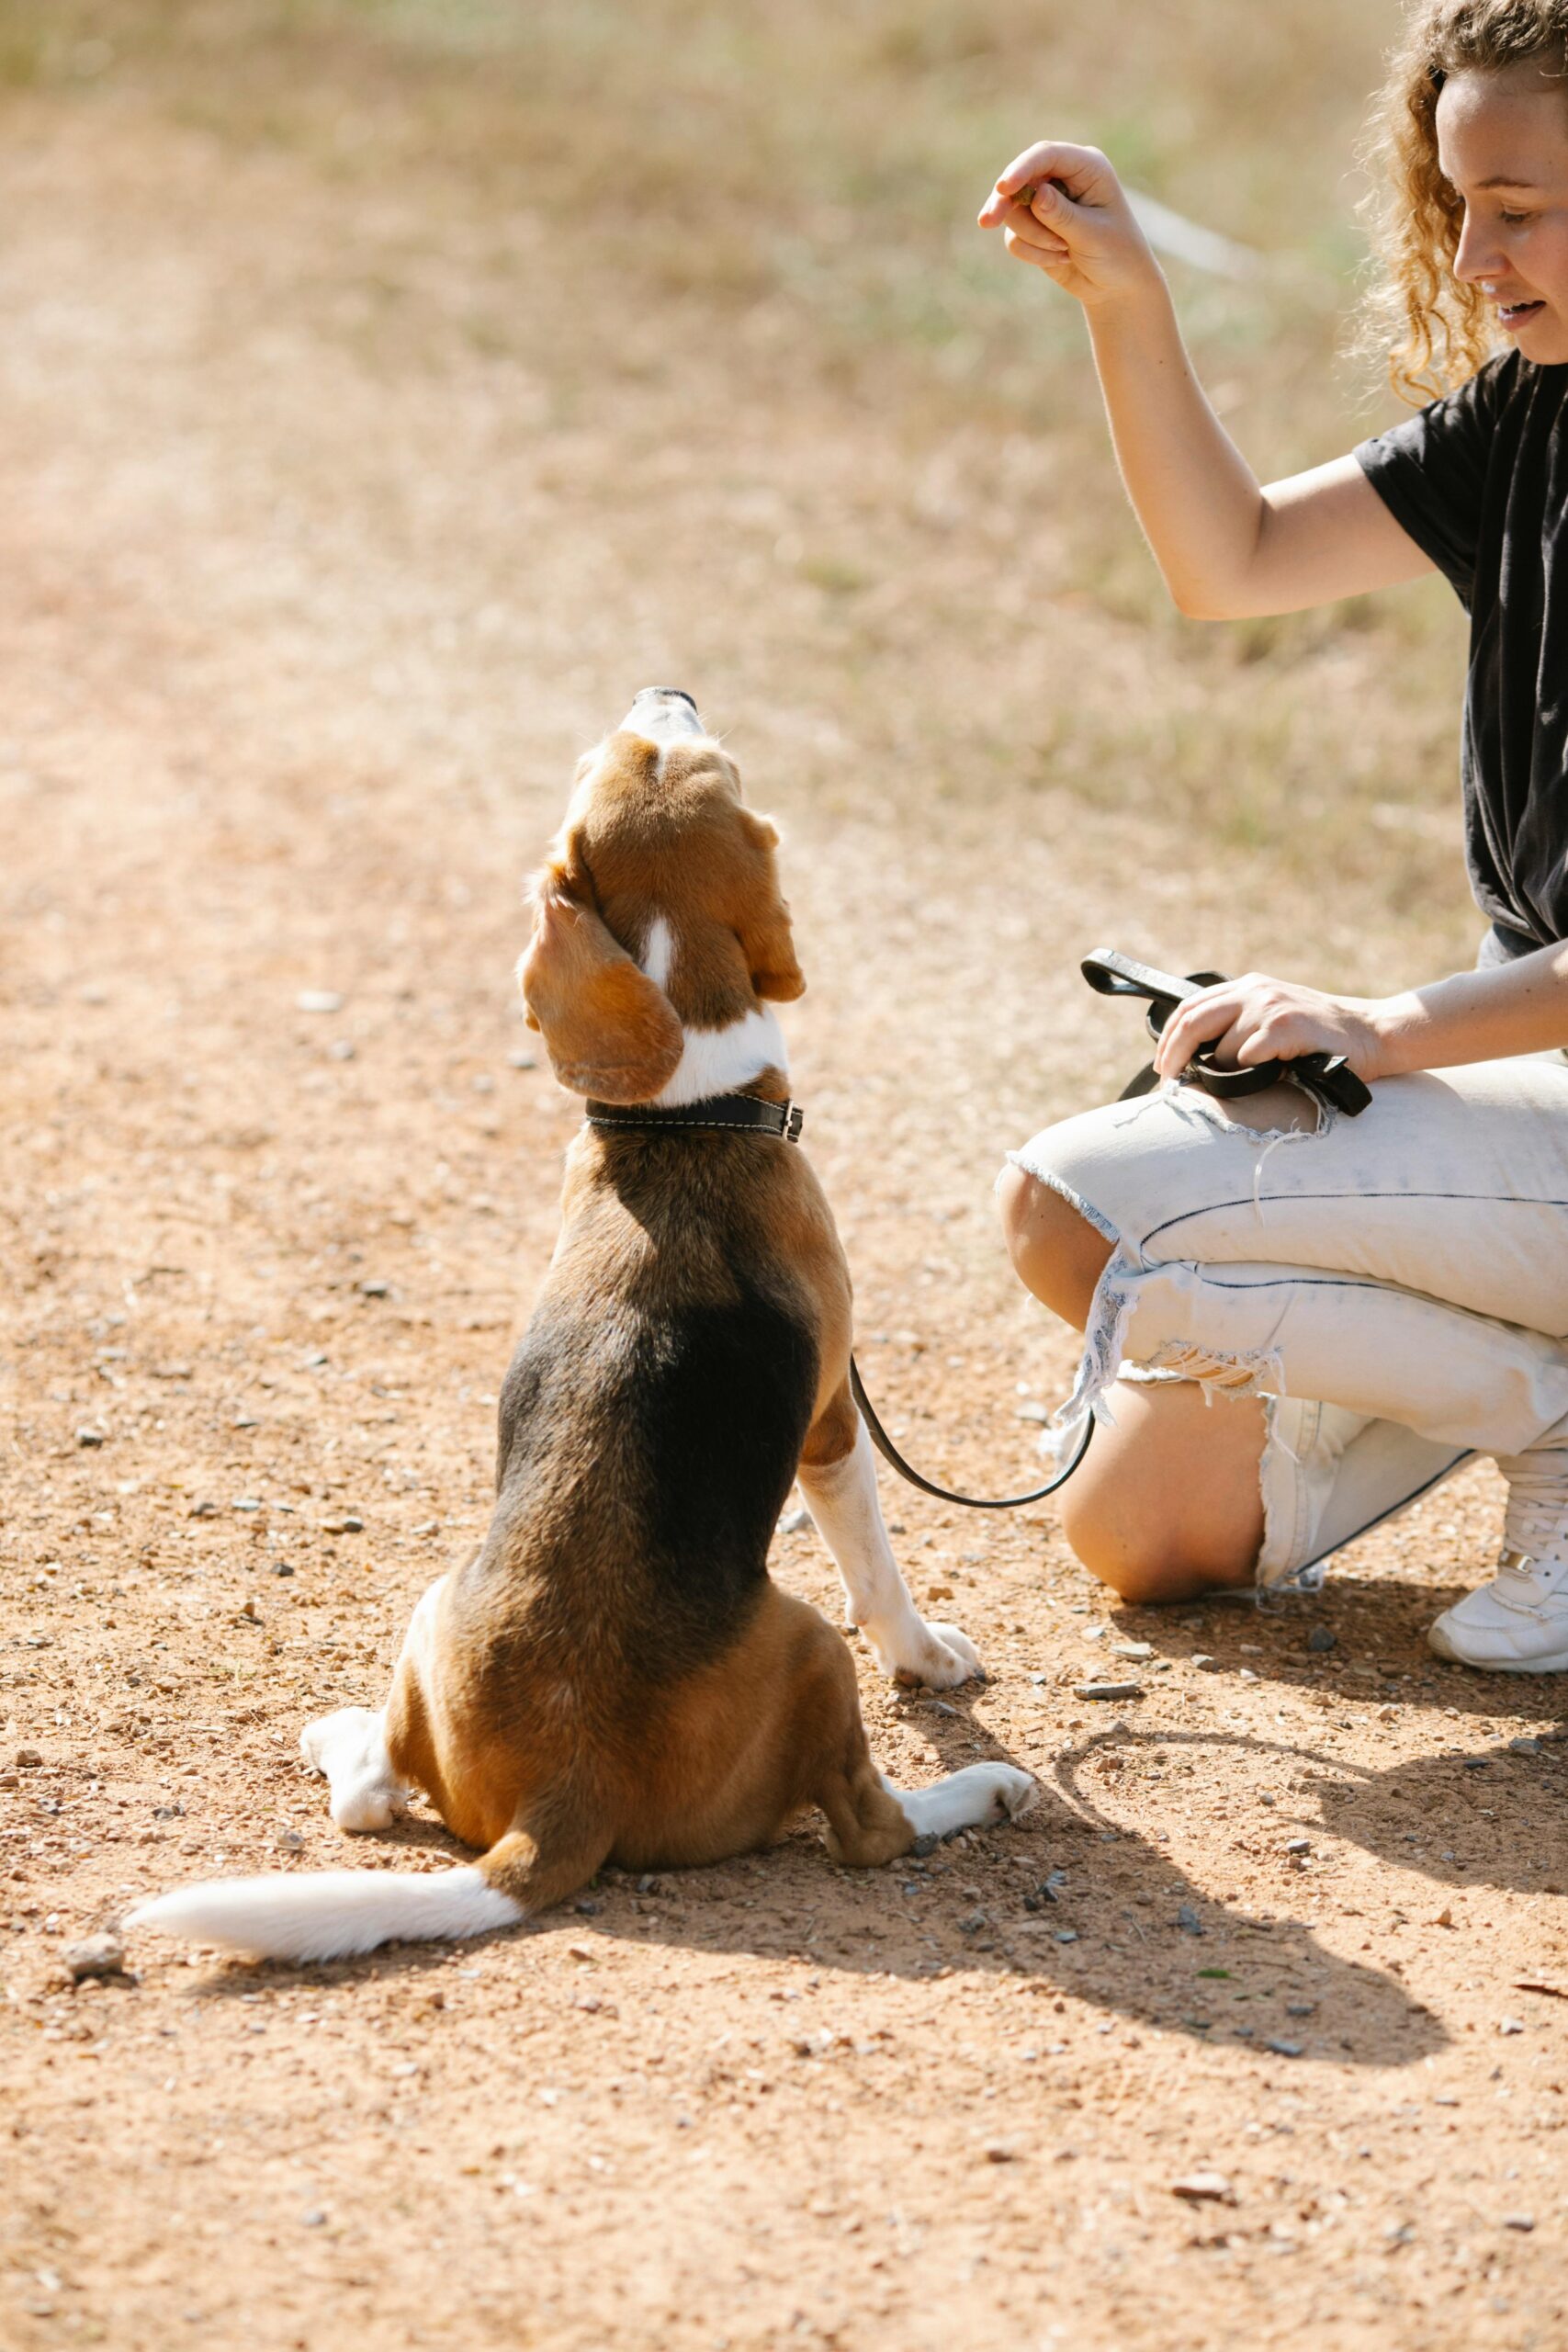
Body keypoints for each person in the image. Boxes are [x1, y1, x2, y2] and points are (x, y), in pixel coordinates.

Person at [977, 0, 1568, 1670]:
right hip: (1549, 1090)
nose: (1472, 252)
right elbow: (1228, 560)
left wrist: (1379, 1031)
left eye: (1517, 206)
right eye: (1457, 204)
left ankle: (1548, 1421)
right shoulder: (1529, 412)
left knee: (1068, 1211)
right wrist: (1126, 307)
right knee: (1146, 1531)